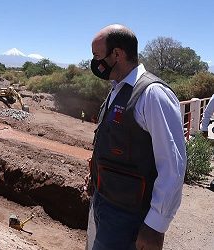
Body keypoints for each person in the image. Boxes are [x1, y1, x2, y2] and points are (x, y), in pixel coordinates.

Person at [86, 24, 187, 250]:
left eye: (96, 56)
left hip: (130, 220)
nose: (94, 62)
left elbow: (173, 166)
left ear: (117, 54)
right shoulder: (117, 89)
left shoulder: (153, 94)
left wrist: (155, 226)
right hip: (106, 206)